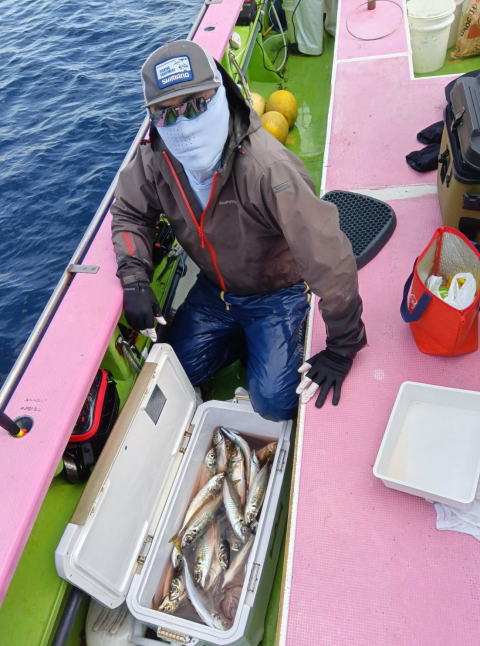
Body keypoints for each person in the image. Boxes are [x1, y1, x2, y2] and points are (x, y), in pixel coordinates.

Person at [111, 39, 366, 421]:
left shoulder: (268, 169)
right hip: (215, 291)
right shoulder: (155, 159)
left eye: (196, 104)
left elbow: (328, 258)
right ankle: (247, 342)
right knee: (174, 375)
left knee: (275, 402)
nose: (183, 124)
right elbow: (129, 211)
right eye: (166, 114)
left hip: (276, 294)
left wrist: (342, 348)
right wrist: (134, 278)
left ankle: (271, 338)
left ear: (221, 95)